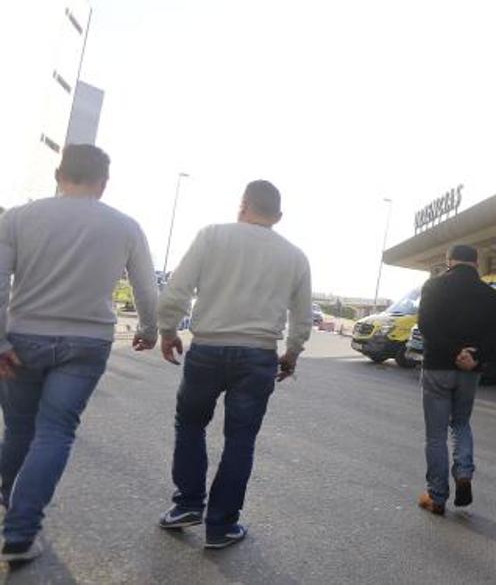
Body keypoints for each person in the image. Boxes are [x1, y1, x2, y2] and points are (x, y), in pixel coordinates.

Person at [0, 145, 159, 562]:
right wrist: (148, 330)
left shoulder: (17, 218)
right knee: (55, 431)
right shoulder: (125, 227)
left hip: (23, 340)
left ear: (59, 174)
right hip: (87, 343)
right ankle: (19, 532)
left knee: (18, 430)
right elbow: (146, 288)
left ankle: (8, 502)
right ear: (103, 184)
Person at [154, 180, 311, 550]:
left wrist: (167, 330)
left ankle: (188, 504)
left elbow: (178, 288)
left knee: (190, 424)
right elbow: (302, 316)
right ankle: (221, 526)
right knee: (240, 439)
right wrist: (292, 354)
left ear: (243, 205)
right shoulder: (294, 255)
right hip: (258, 354)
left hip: (207, 348)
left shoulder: (212, 236)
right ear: (279, 216)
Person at [415, 244, 496, 516]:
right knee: (462, 423)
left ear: (449, 261)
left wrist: (454, 352)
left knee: (436, 435)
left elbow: (426, 325)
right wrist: (475, 357)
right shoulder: (491, 295)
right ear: (476, 263)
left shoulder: (433, 287)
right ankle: (464, 473)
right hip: (471, 371)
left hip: (438, 368)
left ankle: (437, 497)